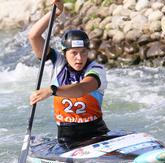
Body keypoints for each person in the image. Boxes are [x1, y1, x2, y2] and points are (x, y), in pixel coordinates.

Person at [28, 0, 109, 150]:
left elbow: (81, 89)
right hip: (67, 141)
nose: (79, 58)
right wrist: (56, 13)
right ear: (65, 54)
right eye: (74, 53)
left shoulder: (96, 69)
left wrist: (52, 90)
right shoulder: (56, 63)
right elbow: (33, 36)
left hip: (97, 136)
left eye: (83, 52)